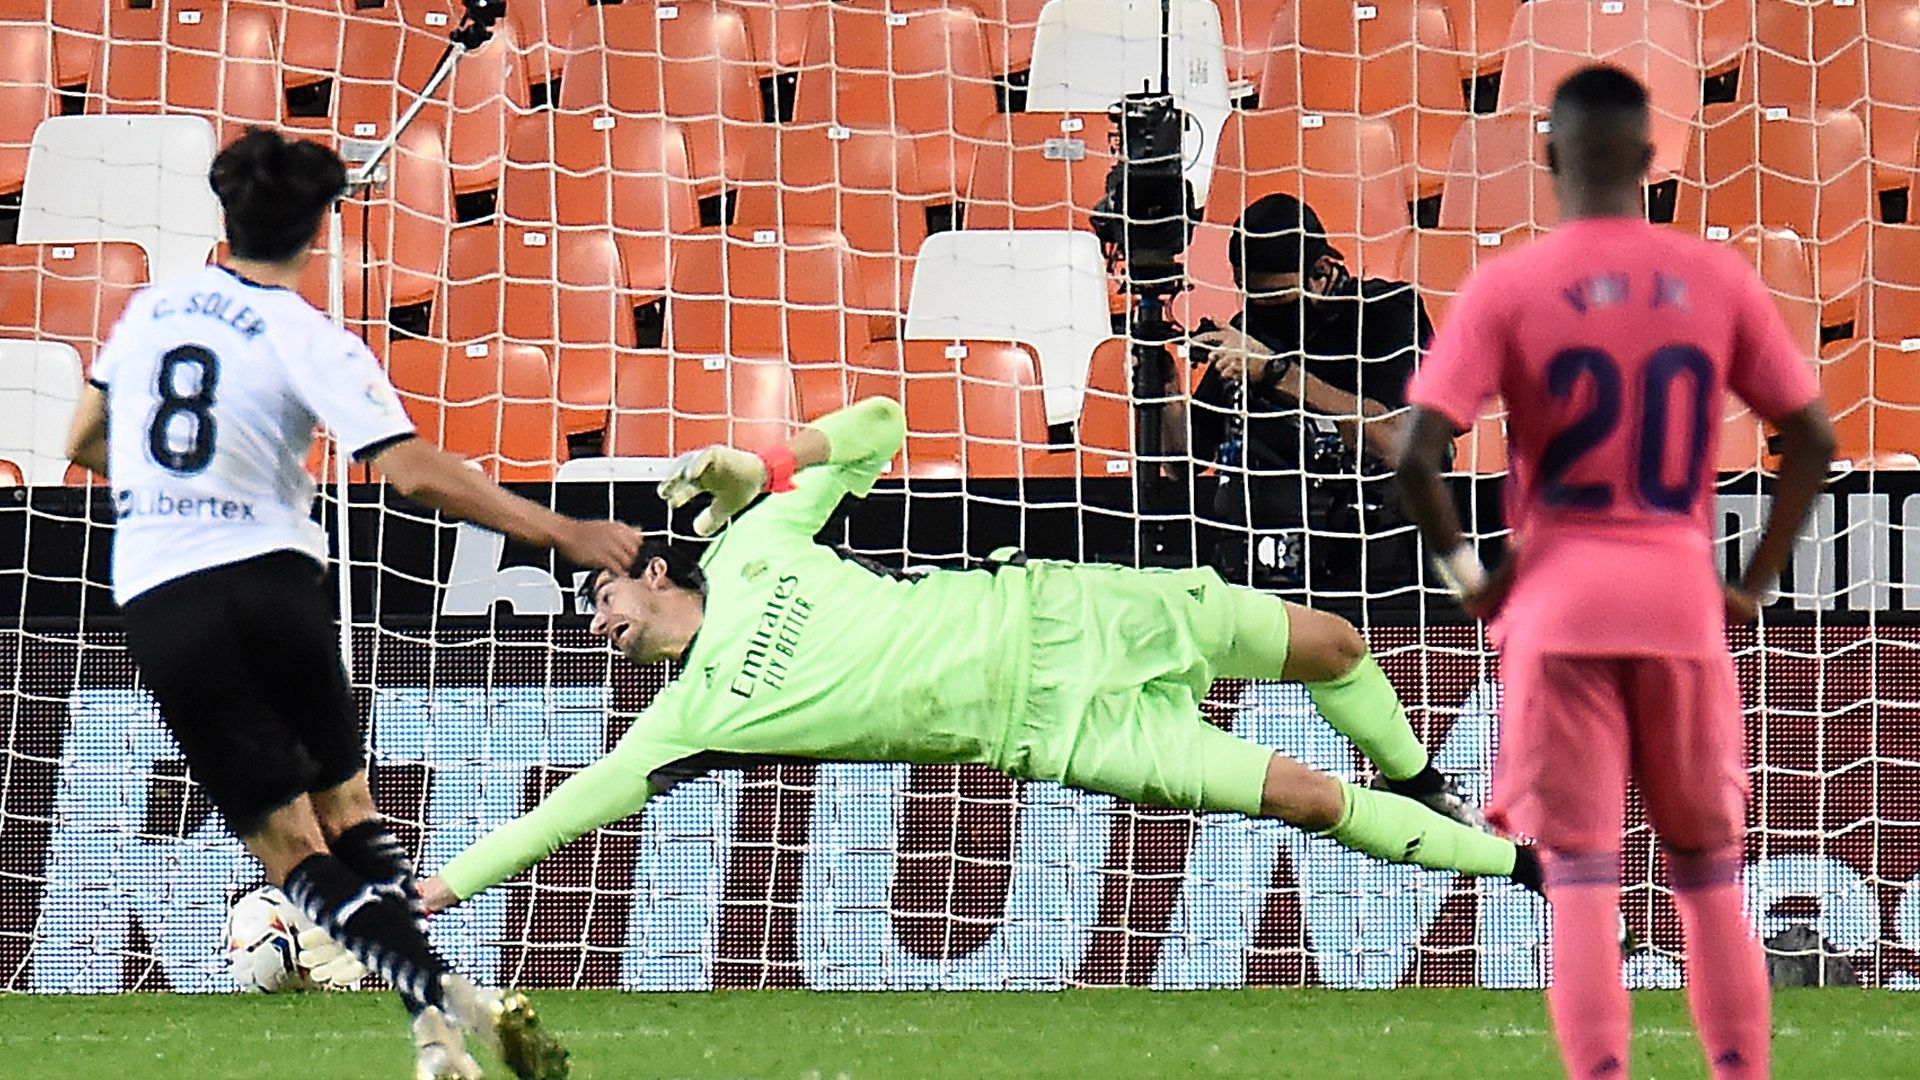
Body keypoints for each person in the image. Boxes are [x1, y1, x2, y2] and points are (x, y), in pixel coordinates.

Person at [413, 394, 1542, 917]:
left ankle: (1428, 783)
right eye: (581, 615)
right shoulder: (687, 720)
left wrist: (760, 464)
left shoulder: (755, 542)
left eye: (594, 587)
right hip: (1053, 730)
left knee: (1334, 644)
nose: (592, 618)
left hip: (1068, 611)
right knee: (1300, 797)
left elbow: (882, 424)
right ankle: (1534, 875)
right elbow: (565, 809)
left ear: (651, 568)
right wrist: (444, 885)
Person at [65, 127, 639, 1080]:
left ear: (225, 214)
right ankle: (434, 1028)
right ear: (319, 229)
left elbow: (85, 438)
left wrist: (186, 485)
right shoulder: (305, 334)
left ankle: (456, 1007)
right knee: (350, 808)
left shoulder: (151, 311)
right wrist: (563, 531)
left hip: (166, 592)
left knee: (290, 848)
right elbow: (408, 470)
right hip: (273, 575)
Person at [1393, 66, 1834, 1080]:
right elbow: (1809, 439)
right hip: (1681, 600)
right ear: (1650, 160)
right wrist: (1754, 580)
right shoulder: (1716, 277)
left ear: (1551, 160)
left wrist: (1471, 575)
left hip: (1557, 606)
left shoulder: (1508, 284)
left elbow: (1417, 452)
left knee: (1584, 880)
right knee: (1709, 876)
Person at [1171, 193, 1432, 592]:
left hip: (1378, 558)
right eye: (1254, 299)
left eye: (1279, 301)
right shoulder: (1250, 329)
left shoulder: (1387, 312)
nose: (1267, 313)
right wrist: (1167, 392)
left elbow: (1400, 442)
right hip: (1265, 559)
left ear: (1322, 271)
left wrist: (1276, 372)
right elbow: (1183, 464)